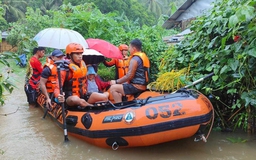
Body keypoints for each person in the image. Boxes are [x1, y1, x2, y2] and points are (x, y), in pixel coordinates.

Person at [55, 43, 108, 108]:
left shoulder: (83, 65)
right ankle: (91, 107)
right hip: (70, 97)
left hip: (83, 94)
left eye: (81, 53)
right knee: (77, 100)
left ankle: (89, 106)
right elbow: (57, 88)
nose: (80, 56)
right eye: (77, 54)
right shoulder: (65, 70)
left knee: (104, 97)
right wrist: (58, 95)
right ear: (70, 55)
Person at [109, 39, 150, 103]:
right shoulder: (142, 56)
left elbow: (129, 76)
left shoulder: (135, 59)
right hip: (142, 85)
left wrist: (116, 81)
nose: (129, 50)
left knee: (113, 88)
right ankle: (123, 102)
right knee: (121, 85)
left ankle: (120, 107)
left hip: (136, 86)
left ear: (133, 48)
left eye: (129, 48)